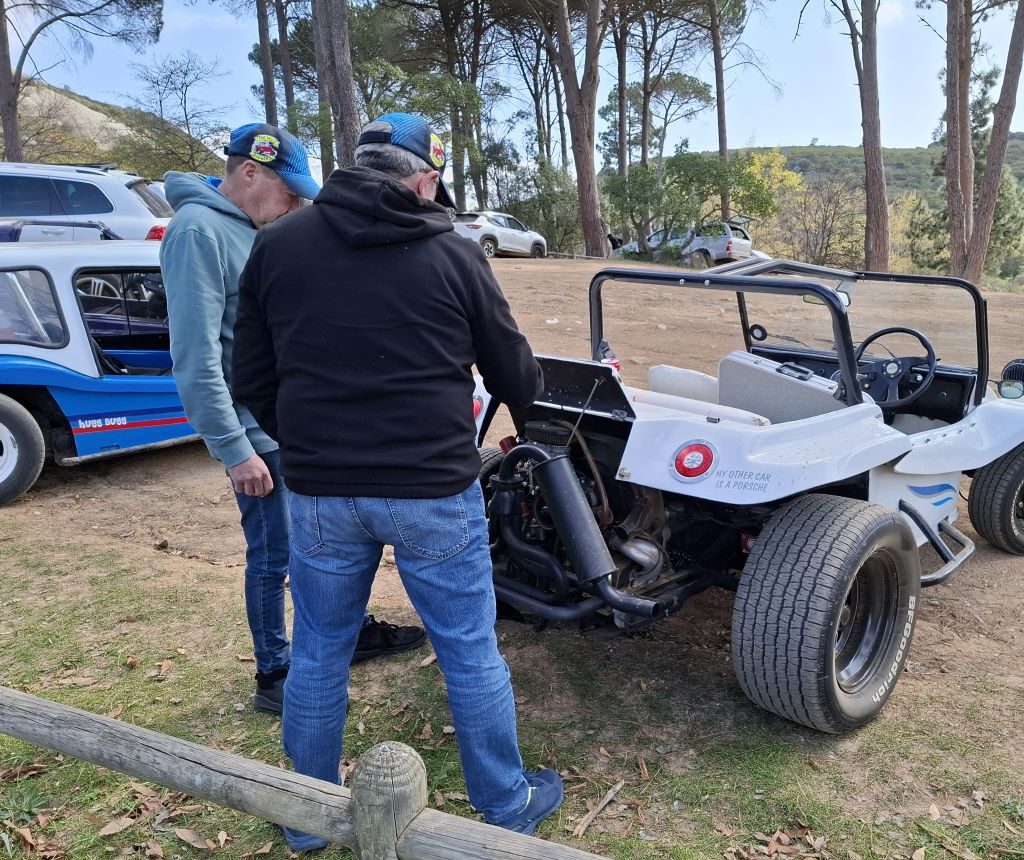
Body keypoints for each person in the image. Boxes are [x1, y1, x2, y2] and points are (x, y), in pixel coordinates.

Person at [232, 112, 564, 852]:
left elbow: (248, 376)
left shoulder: (279, 245)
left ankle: (306, 819)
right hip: (432, 490)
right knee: (468, 648)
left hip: (319, 489)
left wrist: (310, 443)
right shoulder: (454, 252)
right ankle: (506, 807)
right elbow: (517, 377)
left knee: (319, 647)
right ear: (424, 178)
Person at [160, 123, 425, 717]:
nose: (295, 207)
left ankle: (347, 632)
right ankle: (273, 670)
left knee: (326, 543)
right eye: (289, 193)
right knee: (273, 552)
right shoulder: (197, 232)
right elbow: (196, 358)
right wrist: (234, 448)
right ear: (250, 173)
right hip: (256, 437)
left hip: (295, 425)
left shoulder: (255, 231)